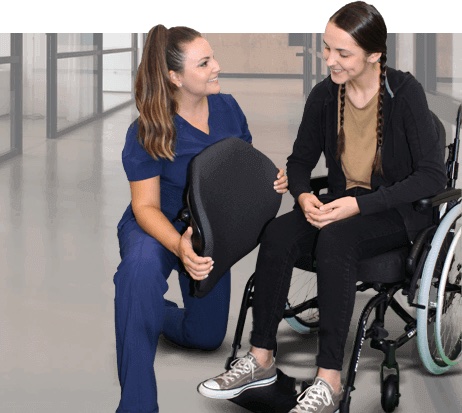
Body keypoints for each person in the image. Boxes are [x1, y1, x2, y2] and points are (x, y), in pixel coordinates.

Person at [197, 2, 447, 412]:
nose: (330, 60)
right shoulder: (326, 94)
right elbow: (299, 161)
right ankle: (260, 359)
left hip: (399, 212)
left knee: (335, 240)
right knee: (277, 233)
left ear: (374, 55)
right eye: (327, 49)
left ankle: (328, 381)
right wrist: (302, 195)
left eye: (342, 53)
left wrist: (358, 206)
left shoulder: (405, 94)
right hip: (338, 203)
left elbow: (432, 177)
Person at [113, 25, 288, 413]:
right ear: (175, 77)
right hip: (158, 227)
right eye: (204, 62)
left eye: (213, 58)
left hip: (208, 233)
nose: (217, 67)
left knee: (207, 336)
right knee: (138, 272)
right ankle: (136, 404)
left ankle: (147, 313)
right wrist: (178, 244)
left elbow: (240, 168)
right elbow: (144, 207)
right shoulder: (148, 129)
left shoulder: (227, 108)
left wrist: (273, 179)